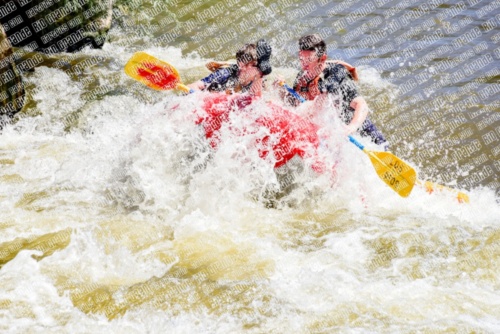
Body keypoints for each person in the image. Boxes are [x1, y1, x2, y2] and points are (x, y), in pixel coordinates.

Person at [280, 34, 387, 148]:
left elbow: (362, 105)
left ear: (323, 58)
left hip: (365, 138)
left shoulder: (337, 75)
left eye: (309, 60)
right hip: (334, 140)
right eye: (301, 59)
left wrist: (350, 128)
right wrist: (283, 92)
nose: (304, 64)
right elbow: (297, 105)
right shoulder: (302, 78)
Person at [188, 39, 272, 98]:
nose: (254, 70)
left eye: (255, 66)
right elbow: (192, 86)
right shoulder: (224, 74)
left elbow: (264, 99)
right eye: (246, 65)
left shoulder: (258, 78)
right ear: (240, 64)